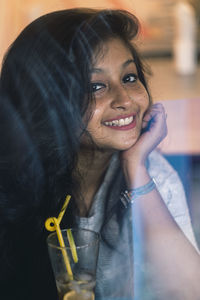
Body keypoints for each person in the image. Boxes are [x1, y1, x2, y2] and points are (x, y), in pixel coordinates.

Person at [0, 8, 200, 300]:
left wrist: (137, 170)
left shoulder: (152, 172)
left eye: (130, 78)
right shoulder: (11, 186)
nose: (125, 99)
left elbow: (191, 291)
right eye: (96, 86)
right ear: (46, 101)